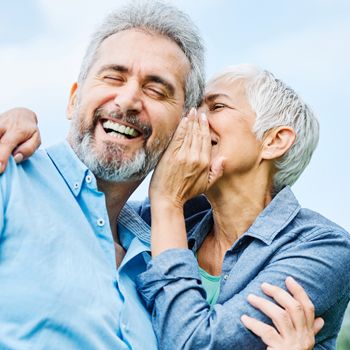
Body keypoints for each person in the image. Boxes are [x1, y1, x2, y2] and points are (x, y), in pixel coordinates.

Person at [0, 3, 323, 350]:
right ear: (73, 100)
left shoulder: (158, 256)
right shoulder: (10, 181)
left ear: (182, 127)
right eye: (113, 77)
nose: (127, 100)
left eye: (157, 90)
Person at [134, 64, 350, 349]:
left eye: (216, 106)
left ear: (274, 141)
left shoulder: (323, 247)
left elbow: (195, 343)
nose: (191, 119)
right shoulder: (158, 218)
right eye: (194, 107)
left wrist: (167, 202)